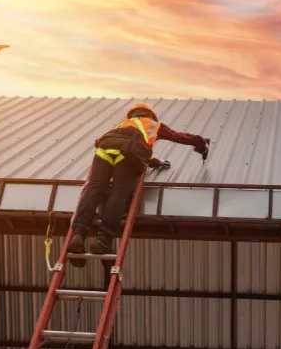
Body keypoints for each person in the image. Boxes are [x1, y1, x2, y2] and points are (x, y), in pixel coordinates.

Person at [68, 102, 209, 267]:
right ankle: (103, 240)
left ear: (133, 115)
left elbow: (130, 143)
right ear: (150, 115)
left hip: (104, 148)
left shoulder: (123, 124)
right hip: (128, 154)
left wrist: (155, 161)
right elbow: (178, 136)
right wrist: (201, 143)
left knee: (94, 189)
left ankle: (77, 236)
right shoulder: (154, 125)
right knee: (119, 194)